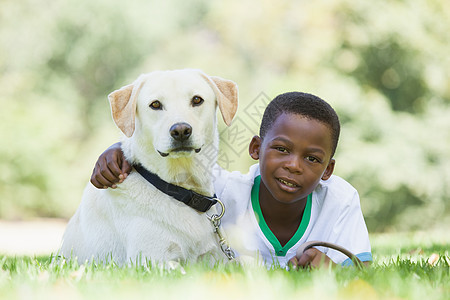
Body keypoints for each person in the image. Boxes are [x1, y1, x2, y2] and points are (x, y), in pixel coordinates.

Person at [90, 92, 372, 269]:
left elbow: (364, 270)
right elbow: (165, 171)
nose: (293, 165)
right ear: (255, 149)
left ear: (328, 169)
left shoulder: (341, 200)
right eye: (282, 150)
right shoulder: (219, 191)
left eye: (312, 158)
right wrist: (119, 151)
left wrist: (334, 269)